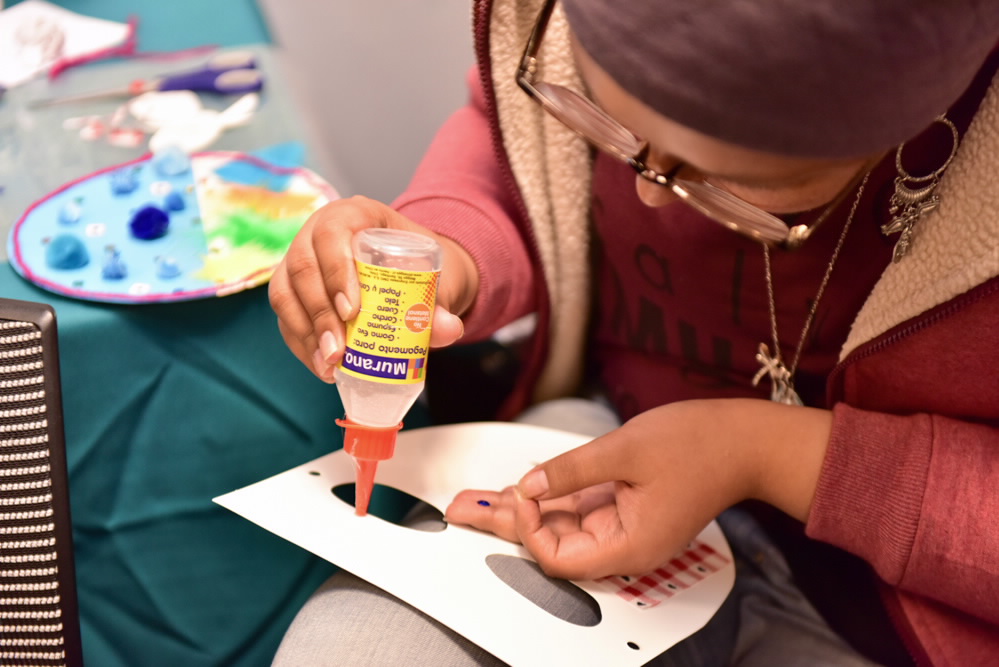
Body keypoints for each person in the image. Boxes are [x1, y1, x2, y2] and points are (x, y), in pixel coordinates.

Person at [267, 0, 999, 664]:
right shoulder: (563, 43)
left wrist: (765, 455)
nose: (648, 192)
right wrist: (449, 254)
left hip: (895, 609)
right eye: (607, 120)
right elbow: (519, 153)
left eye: (727, 178)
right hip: (604, 444)